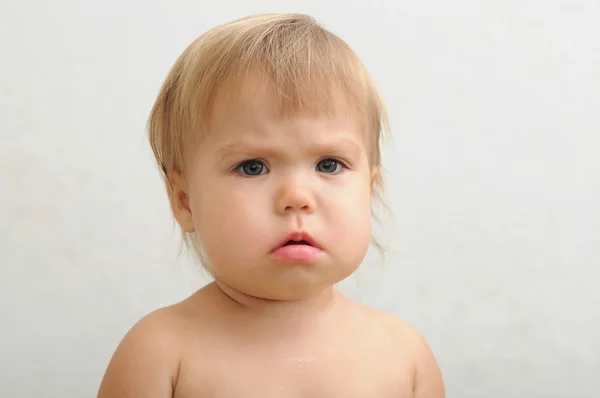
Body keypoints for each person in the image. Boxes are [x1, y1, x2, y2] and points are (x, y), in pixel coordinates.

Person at [97, 13, 444, 398]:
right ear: (184, 201)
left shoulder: (404, 355)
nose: (297, 196)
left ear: (368, 187)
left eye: (329, 164)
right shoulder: (161, 354)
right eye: (252, 167)